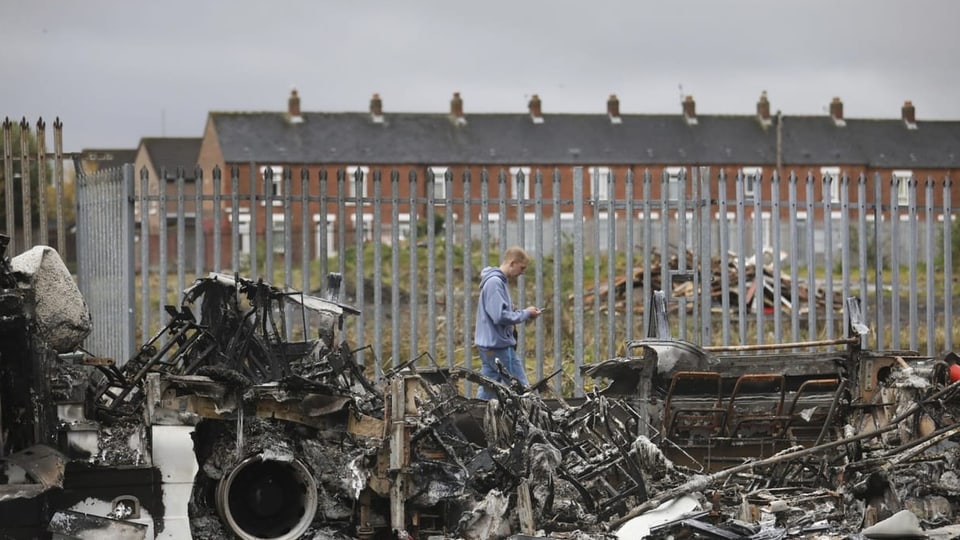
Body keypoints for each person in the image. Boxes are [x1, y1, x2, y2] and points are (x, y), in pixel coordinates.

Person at [474, 246, 542, 400]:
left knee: (488, 389)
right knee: (521, 388)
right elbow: (499, 316)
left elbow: (498, 312)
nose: (522, 272)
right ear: (512, 263)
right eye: (521, 267)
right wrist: (526, 313)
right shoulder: (495, 283)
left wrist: (516, 311)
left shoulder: (496, 281)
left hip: (489, 346)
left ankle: (475, 418)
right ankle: (532, 421)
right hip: (499, 347)